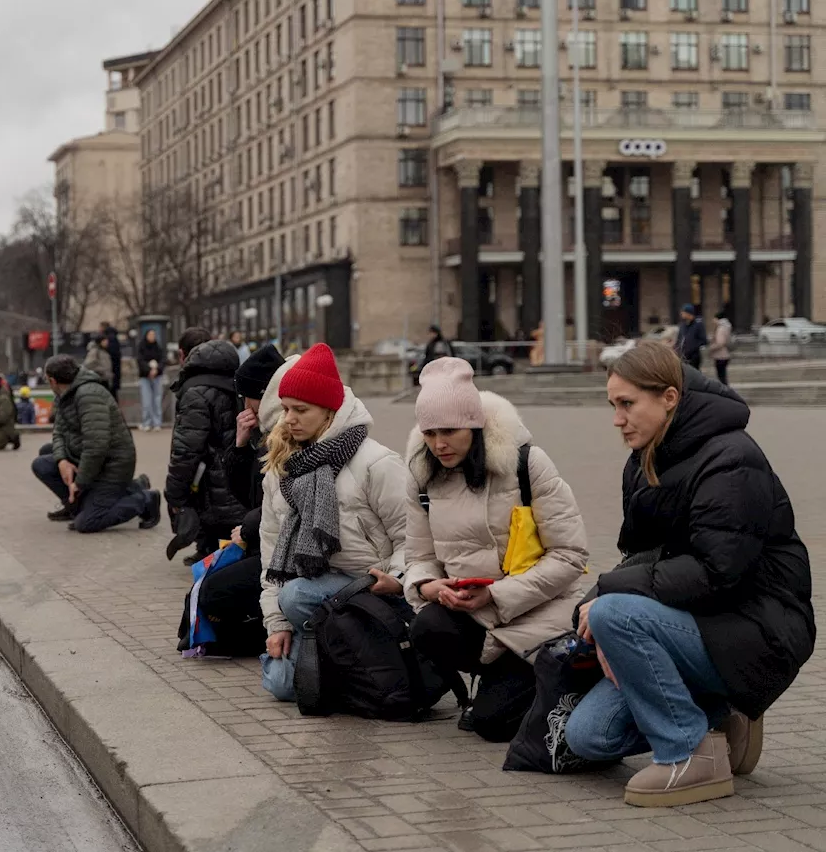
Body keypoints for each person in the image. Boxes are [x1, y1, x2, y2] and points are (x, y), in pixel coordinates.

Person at [565, 342, 814, 807]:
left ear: (669, 398)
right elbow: (643, 556)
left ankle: (689, 755)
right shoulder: (648, 457)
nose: (617, 419)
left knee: (617, 613)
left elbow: (717, 572)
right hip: (698, 625)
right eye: (612, 405)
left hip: (758, 629)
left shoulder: (732, 458)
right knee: (588, 738)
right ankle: (722, 715)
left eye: (627, 404)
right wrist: (594, 597)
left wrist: (611, 605)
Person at [402, 357, 589, 742]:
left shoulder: (526, 463)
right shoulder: (421, 475)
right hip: (478, 616)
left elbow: (571, 555)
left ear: (474, 424)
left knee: (491, 725)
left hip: (541, 611)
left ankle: (562, 676)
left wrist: (496, 595)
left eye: (451, 430)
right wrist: (428, 587)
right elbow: (420, 557)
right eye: (430, 432)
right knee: (427, 627)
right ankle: (497, 680)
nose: (439, 444)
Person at [257, 344, 410, 702]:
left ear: (329, 411)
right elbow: (270, 556)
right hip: (318, 601)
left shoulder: (376, 463)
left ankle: (351, 661)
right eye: (286, 409)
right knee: (281, 685)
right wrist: (276, 624)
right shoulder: (282, 469)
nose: (289, 419)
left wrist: (398, 580)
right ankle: (343, 662)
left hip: (375, 590)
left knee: (296, 596)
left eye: (301, 410)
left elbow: (414, 537)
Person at [182, 343, 288, 656]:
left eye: (247, 397)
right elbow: (249, 496)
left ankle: (262, 637)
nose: (244, 404)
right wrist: (240, 447)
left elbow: (280, 500)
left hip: (277, 549)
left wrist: (247, 527)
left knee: (213, 593)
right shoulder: (264, 431)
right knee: (200, 593)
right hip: (262, 541)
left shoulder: (286, 430)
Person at [30, 355, 162, 533]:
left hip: (113, 465)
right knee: (43, 459)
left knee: (87, 523)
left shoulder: (89, 395)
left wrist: (80, 483)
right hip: (92, 458)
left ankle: (144, 499)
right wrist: (62, 461)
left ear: (53, 380)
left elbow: (96, 447)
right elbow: (59, 432)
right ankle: (76, 505)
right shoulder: (65, 393)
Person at [166, 338, 248, 566]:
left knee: (209, 508)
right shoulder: (237, 386)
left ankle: (212, 551)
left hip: (207, 476)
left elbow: (186, 450)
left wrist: (174, 494)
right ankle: (213, 550)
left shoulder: (194, 392)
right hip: (232, 470)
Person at [137, 329, 166, 432]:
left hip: (157, 376)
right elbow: (140, 361)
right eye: (150, 334)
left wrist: (156, 370)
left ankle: (157, 423)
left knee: (157, 400)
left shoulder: (158, 347)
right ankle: (147, 422)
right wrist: (149, 370)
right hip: (145, 377)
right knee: (146, 400)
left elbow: (163, 360)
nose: (152, 336)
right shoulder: (141, 347)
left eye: (153, 334)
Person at [675, 303, 708, 370]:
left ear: (689, 313)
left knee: (694, 375)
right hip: (683, 356)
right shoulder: (682, 325)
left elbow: (703, 340)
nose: (681, 314)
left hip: (694, 356)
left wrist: (692, 348)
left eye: (683, 312)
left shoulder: (698, 325)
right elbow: (679, 339)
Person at [101, 322, 123, 397]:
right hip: (115, 370)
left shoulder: (109, 339)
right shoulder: (115, 338)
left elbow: (111, 355)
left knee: (110, 395)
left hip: (110, 371)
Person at [711, 310, 733, 386]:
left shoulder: (720, 329)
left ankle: (725, 392)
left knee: (721, 377)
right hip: (726, 354)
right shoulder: (727, 327)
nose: (713, 321)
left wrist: (712, 347)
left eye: (714, 318)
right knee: (723, 376)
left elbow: (720, 342)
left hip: (720, 355)